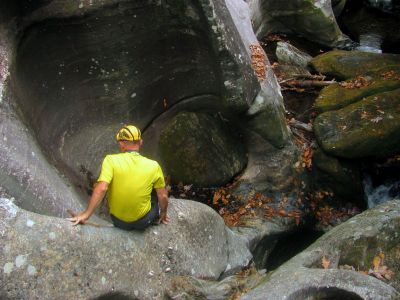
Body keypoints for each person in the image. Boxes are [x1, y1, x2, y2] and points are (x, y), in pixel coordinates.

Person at [68, 125, 169, 230]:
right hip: (143, 222)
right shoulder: (154, 165)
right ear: (141, 142)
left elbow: (102, 188)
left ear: (122, 144)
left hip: (118, 221)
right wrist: (164, 212)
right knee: (157, 192)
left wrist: (86, 215)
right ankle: (158, 215)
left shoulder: (110, 160)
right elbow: (163, 196)